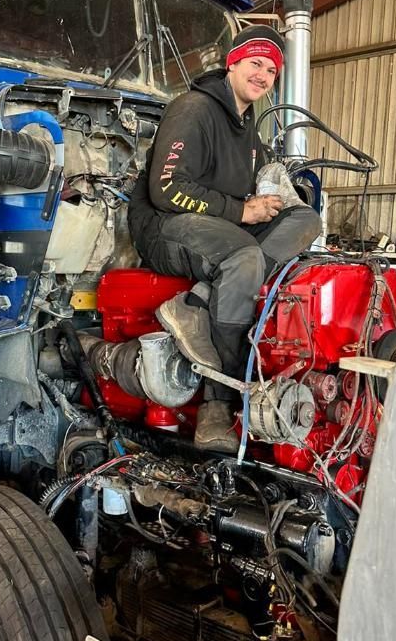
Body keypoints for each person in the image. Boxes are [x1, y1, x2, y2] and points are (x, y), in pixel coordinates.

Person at [128, 25, 322, 452]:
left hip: (221, 227)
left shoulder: (246, 124)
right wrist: (240, 211)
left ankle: (201, 299)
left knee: (307, 221)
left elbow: (261, 180)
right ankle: (219, 400)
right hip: (166, 226)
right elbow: (166, 190)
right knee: (245, 255)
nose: (264, 75)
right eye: (256, 63)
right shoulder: (193, 109)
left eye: (272, 69)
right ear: (232, 63)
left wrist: (276, 198)